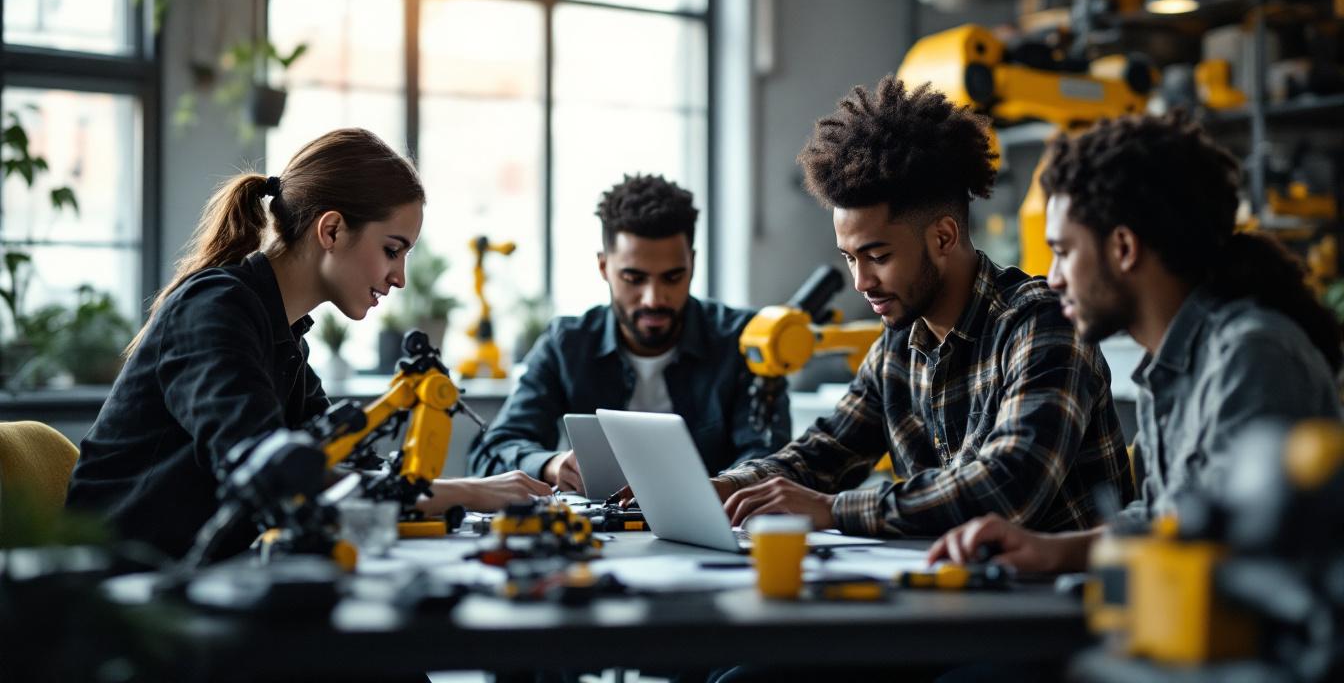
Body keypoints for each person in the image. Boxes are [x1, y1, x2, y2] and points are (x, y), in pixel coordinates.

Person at [66, 128, 550, 560]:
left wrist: (462, 491)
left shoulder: (284, 337)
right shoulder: (214, 309)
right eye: (392, 249)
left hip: (206, 579)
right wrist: (464, 492)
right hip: (129, 600)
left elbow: (336, 462)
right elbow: (272, 470)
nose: (399, 277)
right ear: (332, 230)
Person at [708, 75, 1133, 536]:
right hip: (956, 593)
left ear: (943, 237)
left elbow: (1007, 487)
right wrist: (723, 486)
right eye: (850, 259)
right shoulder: (898, 343)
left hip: (1060, 598)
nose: (861, 281)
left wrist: (833, 510)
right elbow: (826, 452)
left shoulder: (1040, 322)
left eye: (878, 257)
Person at [928, 113, 1344, 572]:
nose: (1054, 278)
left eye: (1064, 252)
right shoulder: (1166, 366)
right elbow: (1162, 522)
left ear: (1123, 248)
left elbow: (1235, 552)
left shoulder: (1252, 358)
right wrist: (1050, 550)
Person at [469, 174, 790, 492]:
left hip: (716, 533)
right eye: (634, 278)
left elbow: (771, 458)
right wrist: (551, 465)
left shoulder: (746, 340)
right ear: (603, 267)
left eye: (672, 277)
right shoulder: (567, 344)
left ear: (692, 264)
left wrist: (718, 488)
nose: (653, 298)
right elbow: (492, 451)